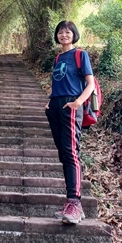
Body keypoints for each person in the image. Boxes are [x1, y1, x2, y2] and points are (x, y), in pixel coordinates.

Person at [45, 20, 95, 224]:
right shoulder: (58, 58)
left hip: (71, 105)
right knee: (63, 153)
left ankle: (75, 203)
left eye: (67, 32)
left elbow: (90, 84)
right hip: (56, 106)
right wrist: (49, 102)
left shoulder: (80, 55)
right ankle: (72, 203)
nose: (63, 35)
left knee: (71, 152)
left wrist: (77, 103)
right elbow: (59, 82)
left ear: (74, 34)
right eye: (60, 32)